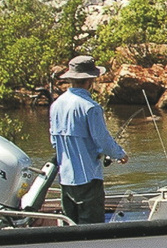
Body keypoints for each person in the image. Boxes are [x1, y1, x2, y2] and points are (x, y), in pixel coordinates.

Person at [48, 55, 127, 225]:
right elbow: (102, 140)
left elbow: (54, 142)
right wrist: (120, 154)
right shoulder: (91, 107)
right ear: (91, 80)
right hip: (88, 179)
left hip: (66, 180)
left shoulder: (56, 105)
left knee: (70, 225)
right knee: (92, 227)